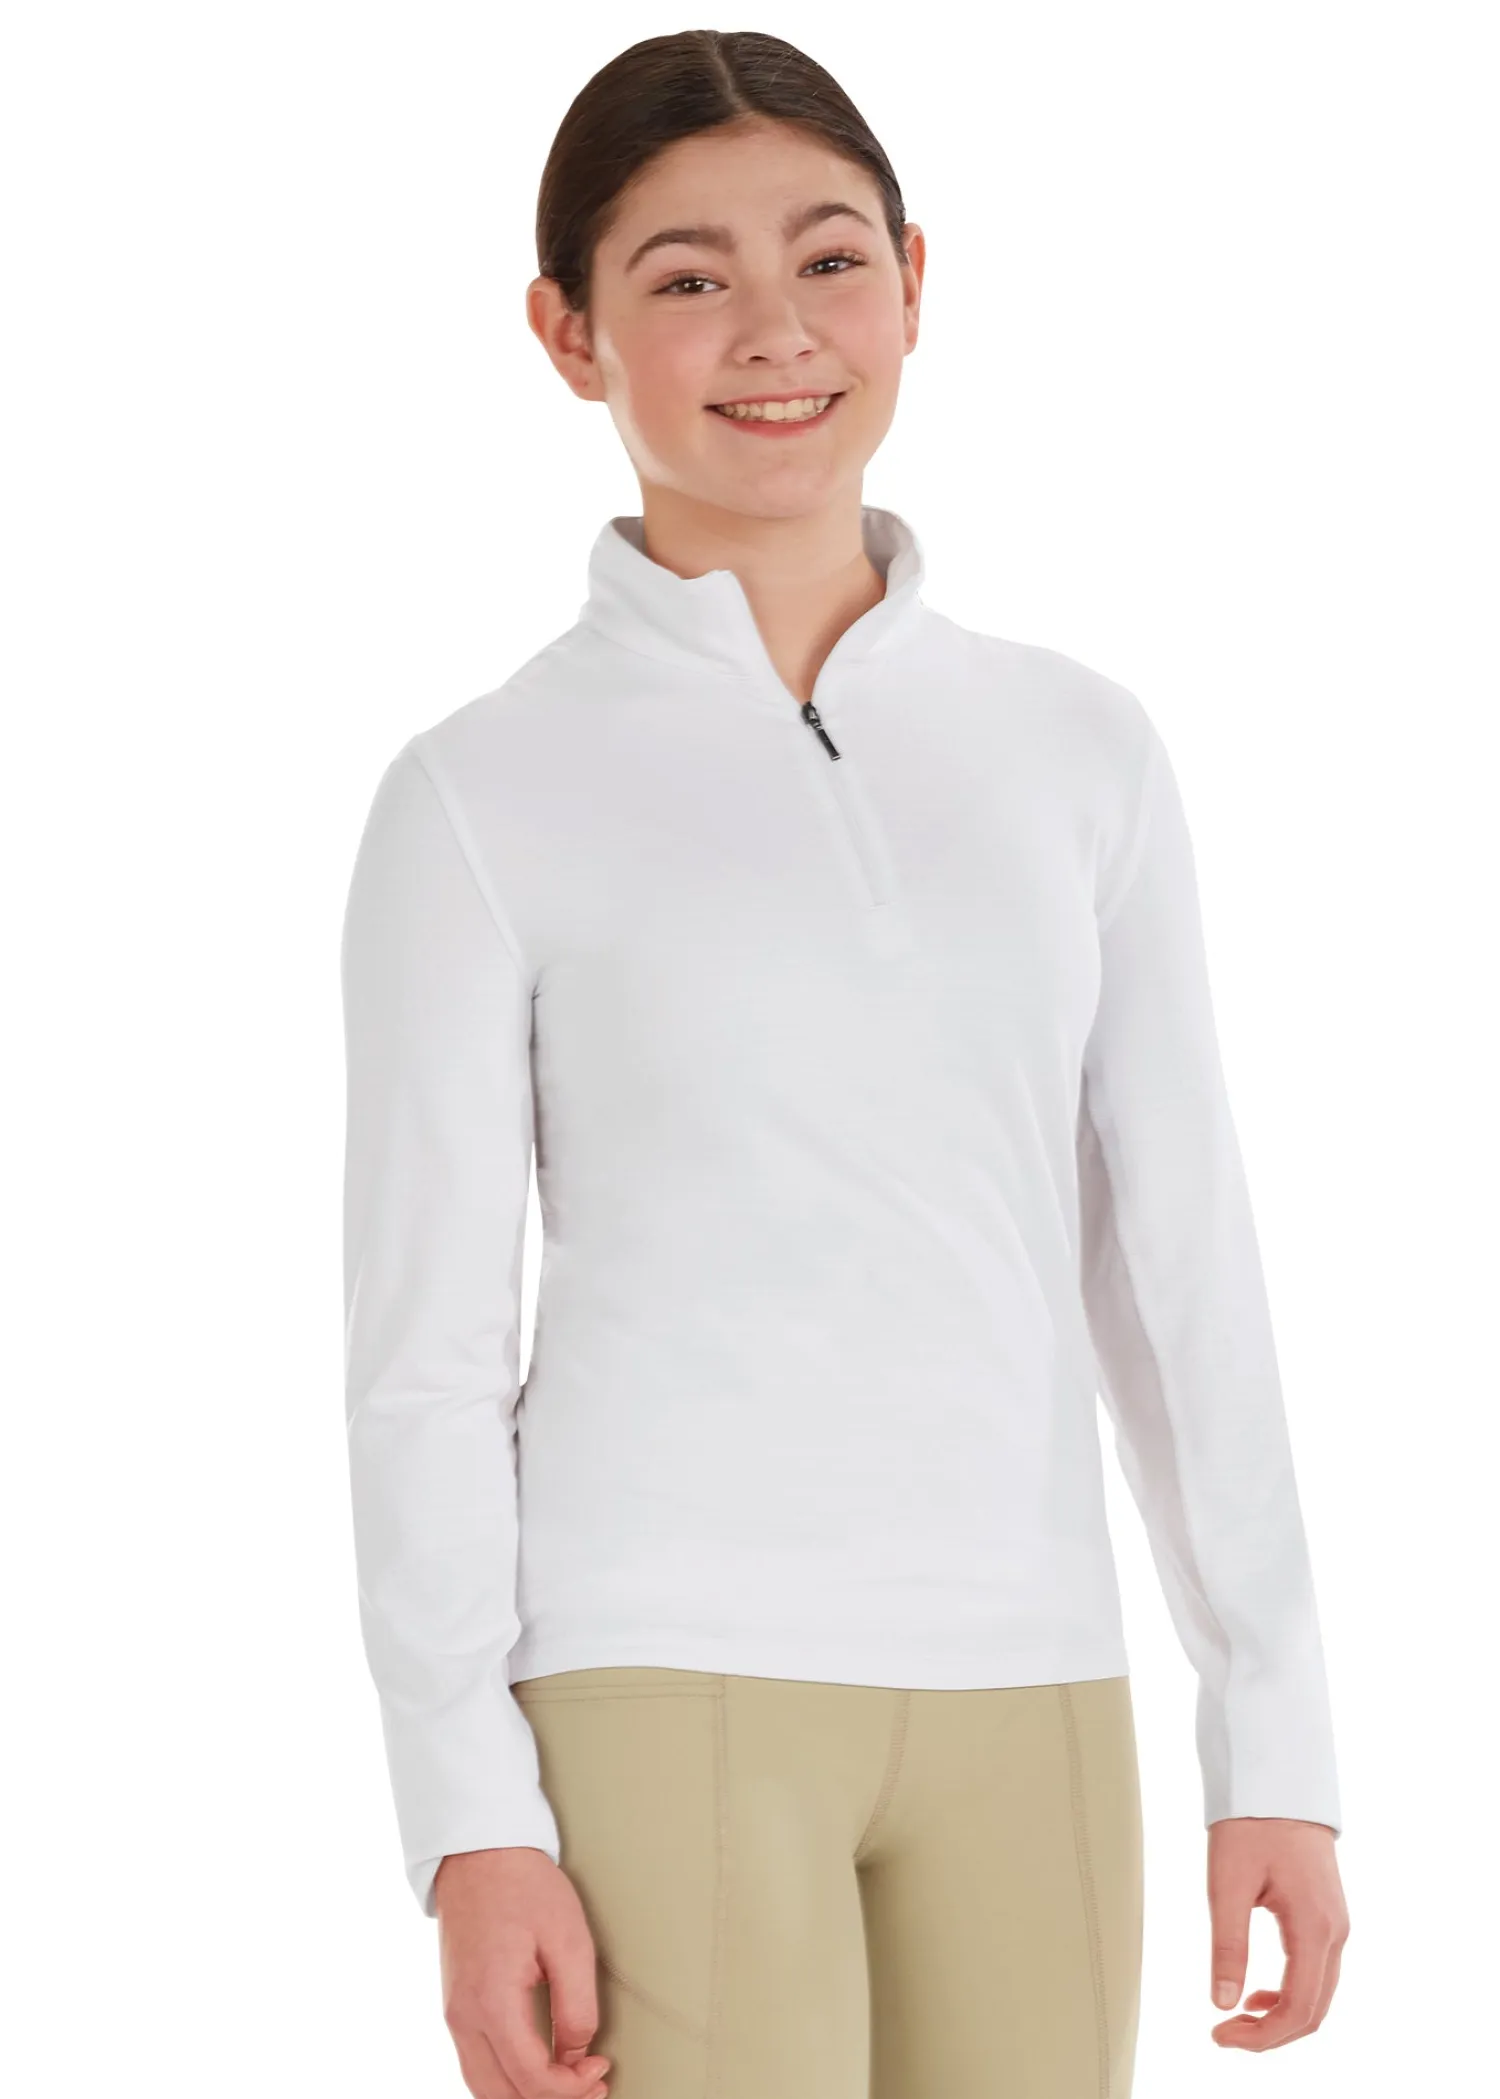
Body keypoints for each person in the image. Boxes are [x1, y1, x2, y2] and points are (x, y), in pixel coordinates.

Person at [339, 29, 1350, 2099]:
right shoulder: (479, 794)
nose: (776, 332)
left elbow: (1179, 1270)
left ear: (914, 280)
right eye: (686, 278)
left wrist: (1277, 1736)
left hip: (1032, 1677)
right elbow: (426, 1351)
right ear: (567, 333)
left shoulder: (1081, 752)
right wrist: (467, 1812)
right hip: (659, 1669)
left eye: (829, 260)